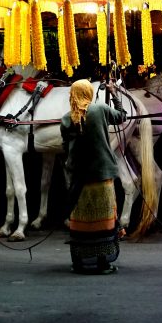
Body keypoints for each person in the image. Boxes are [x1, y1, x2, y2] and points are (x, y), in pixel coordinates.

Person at [60, 79, 128, 274]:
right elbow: (122, 116)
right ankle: (102, 263)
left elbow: (65, 149)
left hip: (79, 178)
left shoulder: (66, 119)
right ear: (88, 93)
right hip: (102, 174)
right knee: (102, 220)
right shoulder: (100, 109)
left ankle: (79, 262)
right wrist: (114, 93)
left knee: (82, 220)